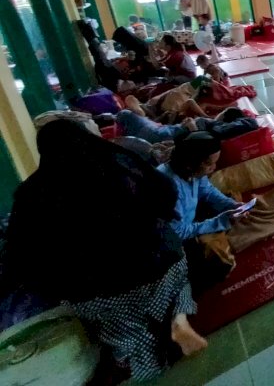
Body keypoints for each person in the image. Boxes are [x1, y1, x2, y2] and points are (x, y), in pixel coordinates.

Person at [3, 120, 207, 381]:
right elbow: (165, 193)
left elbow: (20, 256)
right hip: (162, 267)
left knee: (125, 329)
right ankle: (177, 318)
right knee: (177, 278)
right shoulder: (121, 162)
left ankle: (138, 359)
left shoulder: (31, 195)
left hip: (102, 292)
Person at [157, 132, 248, 288]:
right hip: (167, 238)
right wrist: (222, 221)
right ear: (190, 163)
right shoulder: (168, 186)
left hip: (187, 219)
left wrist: (230, 205)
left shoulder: (193, 170)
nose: (214, 167)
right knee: (217, 268)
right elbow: (178, 232)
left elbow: (207, 191)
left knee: (229, 200)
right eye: (209, 163)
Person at [117, 106, 257, 144]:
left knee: (125, 114)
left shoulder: (245, 124)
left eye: (222, 113)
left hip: (163, 135)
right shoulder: (216, 125)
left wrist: (193, 128)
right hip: (168, 130)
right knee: (129, 113)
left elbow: (210, 137)